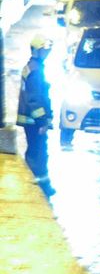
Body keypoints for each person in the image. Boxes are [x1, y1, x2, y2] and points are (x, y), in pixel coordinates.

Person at [17, 35, 55, 196]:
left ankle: (40, 184)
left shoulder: (33, 66)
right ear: (36, 51)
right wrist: (42, 121)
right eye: (44, 50)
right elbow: (34, 99)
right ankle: (40, 186)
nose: (47, 53)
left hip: (31, 119)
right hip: (34, 121)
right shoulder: (35, 70)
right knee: (38, 152)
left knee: (35, 150)